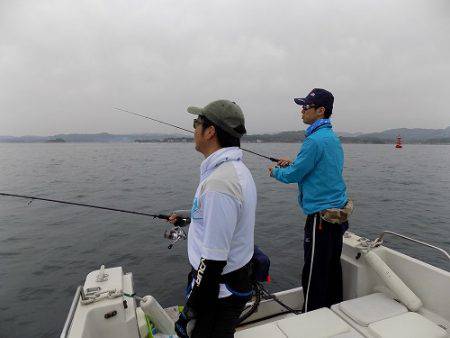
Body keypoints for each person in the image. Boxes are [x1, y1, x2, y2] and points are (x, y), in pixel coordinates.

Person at [171, 99, 257, 338]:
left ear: (210, 132)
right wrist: (189, 218)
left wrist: (191, 310)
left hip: (217, 293)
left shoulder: (220, 183)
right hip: (226, 286)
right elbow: (221, 221)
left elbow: (213, 261)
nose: (194, 128)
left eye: (196, 123)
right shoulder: (235, 171)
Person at [268, 88, 351, 312]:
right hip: (338, 215)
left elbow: (295, 175)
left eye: (305, 107)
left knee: (314, 271)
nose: (301, 111)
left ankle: (310, 318)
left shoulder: (314, 141)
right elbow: (319, 168)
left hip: (321, 219)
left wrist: (275, 171)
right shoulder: (331, 138)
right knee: (332, 267)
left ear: (320, 111)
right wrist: (294, 162)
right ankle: (334, 311)